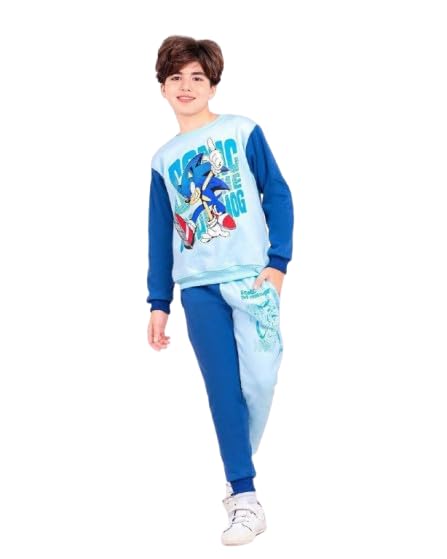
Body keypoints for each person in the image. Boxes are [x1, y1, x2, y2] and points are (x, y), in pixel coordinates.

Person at [146, 35, 294, 546]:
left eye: (197, 77)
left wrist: (278, 263)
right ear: (163, 88)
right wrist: (159, 302)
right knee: (223, 388)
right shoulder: (163, 159)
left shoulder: (241, 130)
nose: (186, 86)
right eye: (176, 77)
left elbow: (277, 193)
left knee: (261, 379)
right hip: (197, 288)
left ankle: (237, 466)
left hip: (252, 279)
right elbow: (159, 234)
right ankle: (244, 494)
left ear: (212, 85)